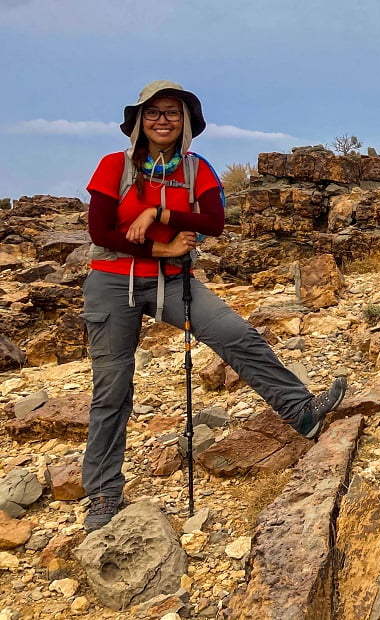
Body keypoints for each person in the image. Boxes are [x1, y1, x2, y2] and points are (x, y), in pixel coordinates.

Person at [81, 80, 346, 532]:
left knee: (234, 333)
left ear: (185, 123)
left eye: (172, 112)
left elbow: (214, 222)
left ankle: (300, 410)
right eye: (153, 112)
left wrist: (160, 215)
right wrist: (159, 251)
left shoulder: (195, 168)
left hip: (173, 283)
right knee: (113, 388)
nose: (162, 119)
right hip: (112, 285)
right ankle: (104, 491)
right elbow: (101, 232)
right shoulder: (114, 166)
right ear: (139, 122)